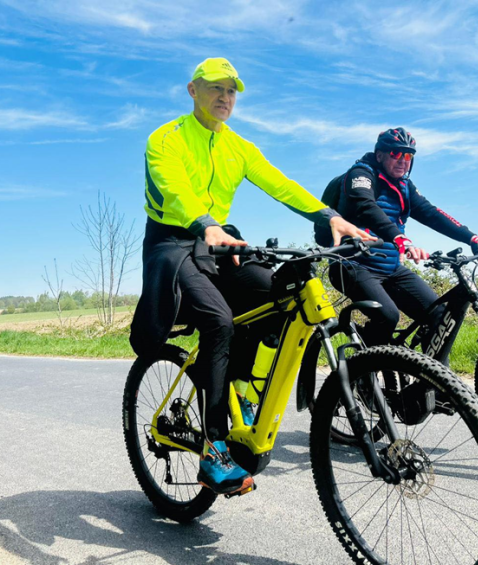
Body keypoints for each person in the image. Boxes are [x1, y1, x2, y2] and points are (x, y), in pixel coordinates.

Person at [130, 57, 370, 496]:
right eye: (216, 88)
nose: (225, 97)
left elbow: (279, 182)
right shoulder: (165, 139)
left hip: (218, 240)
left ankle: (236, 387)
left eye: (232, 91)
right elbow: (174, 190)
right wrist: (205, 224)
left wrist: (330, 214)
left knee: (278, 296)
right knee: (218, 322)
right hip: (173, 241)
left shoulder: (238, 146)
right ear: (193, 90)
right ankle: (215, 449)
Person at [315, 128, 478, 356]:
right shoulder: (361, 175)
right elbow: (365, 206)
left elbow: (431, 213)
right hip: (352, 265)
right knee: (387, 315)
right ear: (380, 155)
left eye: (408, 156)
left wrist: (473, 239)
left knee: (439, 316)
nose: (403, 161)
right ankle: (364, 369)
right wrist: (398, 236)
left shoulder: (405, 186)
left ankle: (432, 382)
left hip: (391, 268)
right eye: (396, 154)